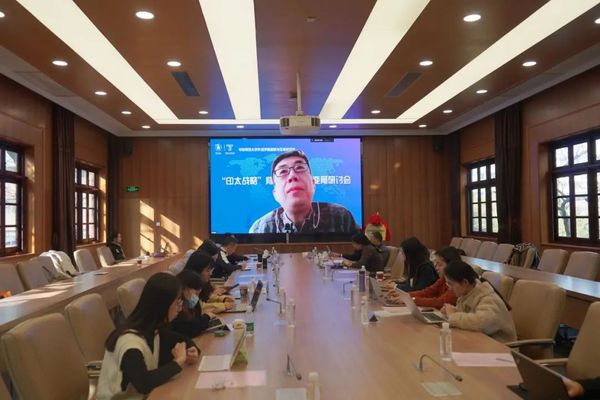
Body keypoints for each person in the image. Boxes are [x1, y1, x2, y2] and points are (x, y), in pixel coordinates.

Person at [97, 273, 199, 399]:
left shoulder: (153, 329)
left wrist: (192, 350)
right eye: (177, 302)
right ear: (162, 305)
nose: (180, 307)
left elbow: (183, 339)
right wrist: (178, 362)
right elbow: (144, 384)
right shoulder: (129, 343)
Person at [249, 150, 359, 233]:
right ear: (275, 194)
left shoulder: (341, 217)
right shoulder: (260, 228)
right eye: (283, 171)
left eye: (300, 168)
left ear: (313, 184)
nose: (292, 176)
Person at [441, 260, 517, 343]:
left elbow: (481, 324)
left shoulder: (488, 298)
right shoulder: (466, 293)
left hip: (501, 346)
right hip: (480, 341)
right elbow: (470, 315)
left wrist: (453, 316)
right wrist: (453, 310)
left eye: (450, 284)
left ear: (465, 282)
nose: (449, 288)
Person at [386, 246, 461, 309]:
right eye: (436, 264)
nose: (436, 268)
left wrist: (411, 300)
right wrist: (405, 296)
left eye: (440, 265)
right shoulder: (443, 278)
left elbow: (440, 302)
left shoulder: (457, 282)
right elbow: (427, 292)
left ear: (450, 265)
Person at [171, 270, 217, 338]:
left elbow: (196, 320)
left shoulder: (189, 302)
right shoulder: (176, 306)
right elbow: (189, 329)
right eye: (196, 293)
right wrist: (206, 317)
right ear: (185, 288)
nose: (196, 297)